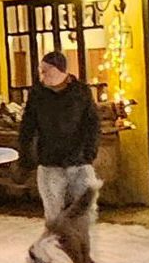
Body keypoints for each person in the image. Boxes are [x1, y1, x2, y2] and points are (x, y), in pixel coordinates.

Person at [17, 51, 102, 226]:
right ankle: (56, 241)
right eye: (40, 71)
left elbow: (92, 124)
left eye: (45, 71)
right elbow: (28, 126)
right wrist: (26, 156)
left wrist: (89, 153)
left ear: (58, 70)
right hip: (49, 163)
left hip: (79, 162)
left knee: (84, 211)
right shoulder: (37, 94)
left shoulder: (80, 92)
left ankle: (81, 240)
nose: (42, 75)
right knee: (53, 214)